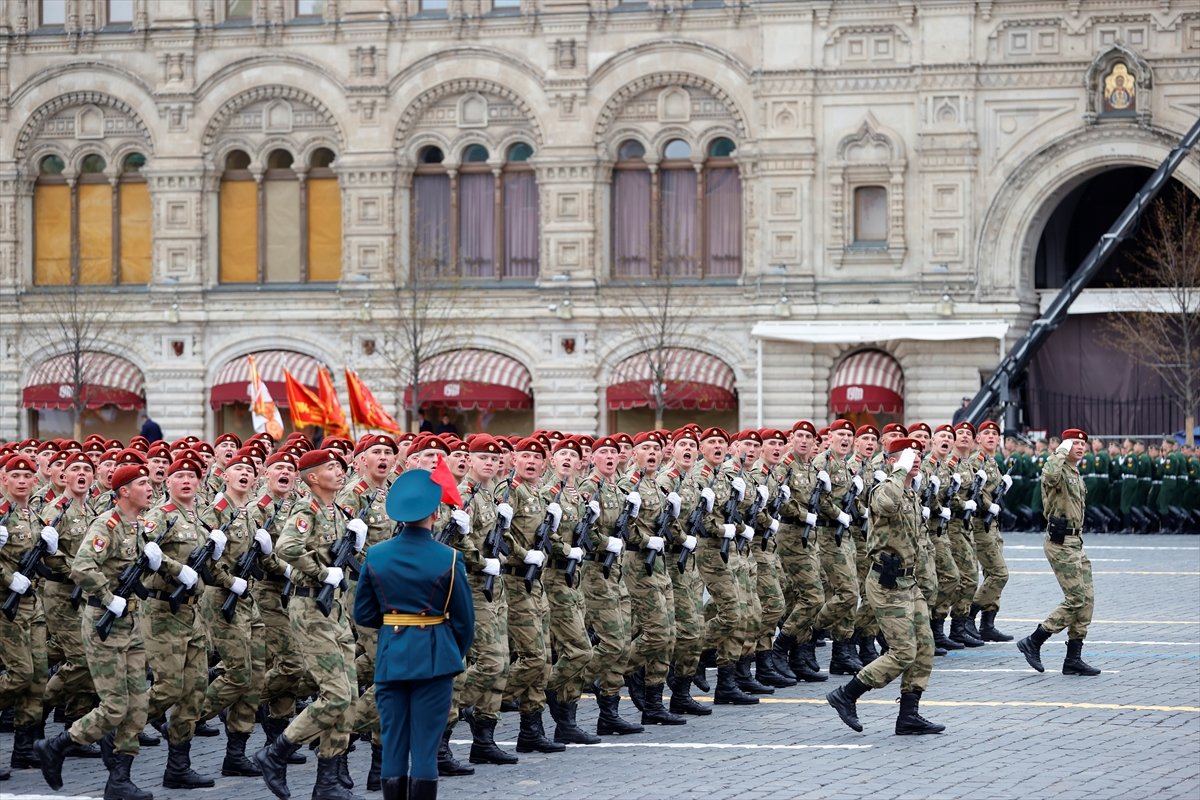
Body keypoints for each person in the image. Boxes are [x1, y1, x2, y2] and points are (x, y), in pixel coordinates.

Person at [354, 468, 474, 800]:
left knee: (393, 743)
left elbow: (362, 614)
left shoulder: (376, 555)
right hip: (435, 656)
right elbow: (465, 621)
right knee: (424, 747)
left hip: (392, 654)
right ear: (436, 513)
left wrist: (396, 623)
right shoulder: (449, 557)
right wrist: (452, 650)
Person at [826, 437, 945, 736]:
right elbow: (886, 504)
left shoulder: (910, 493)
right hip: (886, 582)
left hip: (909, 582)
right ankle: (847, 694)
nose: (915, 459)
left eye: (918, 455)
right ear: (892, 461)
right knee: (903, 652)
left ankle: (909, 715)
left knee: (924, 648)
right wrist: (898, 472)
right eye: (907, 456)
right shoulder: (884, 489)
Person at [1016, 428, 1100, 677]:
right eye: (1075, 443)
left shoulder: (1075, 472)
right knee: (1076, 599)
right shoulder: (1057, 469)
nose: (1081, 446)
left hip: (1076, 541)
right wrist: (1059, 451)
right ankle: (1034, 640)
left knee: (1087, 601)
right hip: (1061, 542)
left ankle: (1073, 658)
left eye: (1083, 443)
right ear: (1064, 446)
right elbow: (1049, 473)